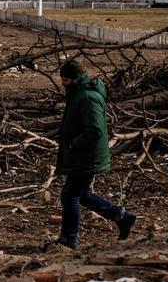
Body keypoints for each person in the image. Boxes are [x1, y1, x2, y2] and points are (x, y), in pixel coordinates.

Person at [49, 60, 136, 250]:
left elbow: (95, 129)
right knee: (81, 194)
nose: (63, 84)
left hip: (85, 156)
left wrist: (74, 144)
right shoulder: (78, 94)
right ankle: (121, 216)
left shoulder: (87, 97)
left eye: (65, 80)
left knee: (70, 194)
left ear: (75, 79)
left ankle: (68, 240)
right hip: (82, 155)